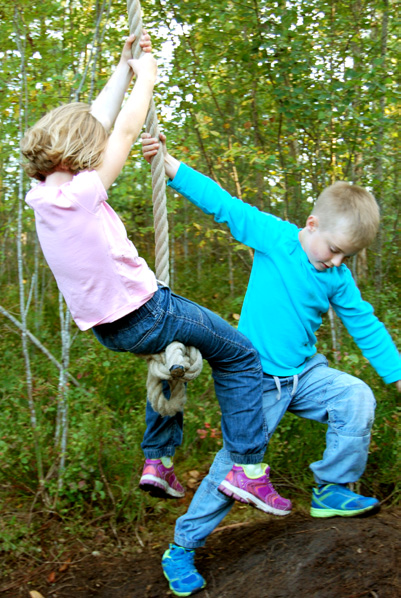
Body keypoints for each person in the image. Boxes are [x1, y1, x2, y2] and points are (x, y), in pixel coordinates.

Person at [20, 33, 287, 514]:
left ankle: (157, 460)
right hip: (148, 311)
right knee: (242, 356)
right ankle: (248, 469)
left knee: (171, 357)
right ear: (82, 155)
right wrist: (148, 78)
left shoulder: (42, 195)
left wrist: (123, 67)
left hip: (109, 329)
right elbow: (119, 131)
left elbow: (96, 122)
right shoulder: (84, 191)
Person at [141, 132, 401, 596]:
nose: (337, 262)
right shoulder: (276, 238)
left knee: (355, 397)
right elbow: (223, 205)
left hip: (305, 374)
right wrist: (170, 165)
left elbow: (366, 325)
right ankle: (180, 548)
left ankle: (331, 487)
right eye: (334, 250)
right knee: (233, 471)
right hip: (255, 382)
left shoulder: (337, 278)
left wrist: (398, 374)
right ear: (311, 224)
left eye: (347, 256)